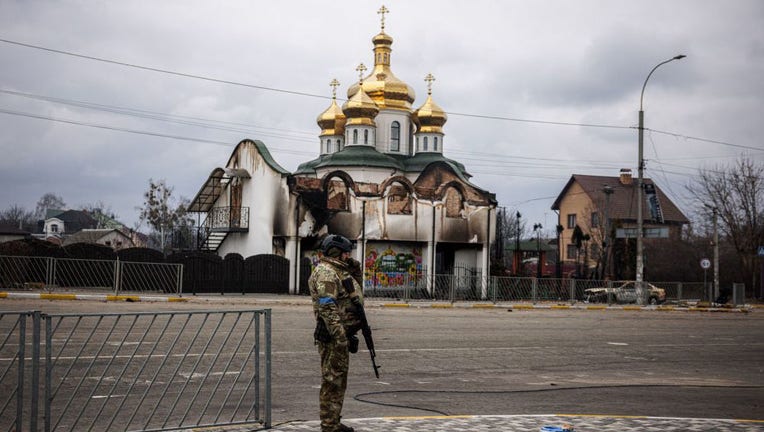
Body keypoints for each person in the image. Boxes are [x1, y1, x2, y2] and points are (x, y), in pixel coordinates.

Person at [309, 234, 364, 432]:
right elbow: (327, 306)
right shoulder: (326, 272)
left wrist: (355, 270)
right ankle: (329, 426)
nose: (348, 256)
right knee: (332, 382)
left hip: (341, 335)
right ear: (335, 252)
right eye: (346, 252)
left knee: (338, 382)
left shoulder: (338, 270)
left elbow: (352, 294)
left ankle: (333, 421)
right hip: (333, 337)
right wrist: (340, 337)